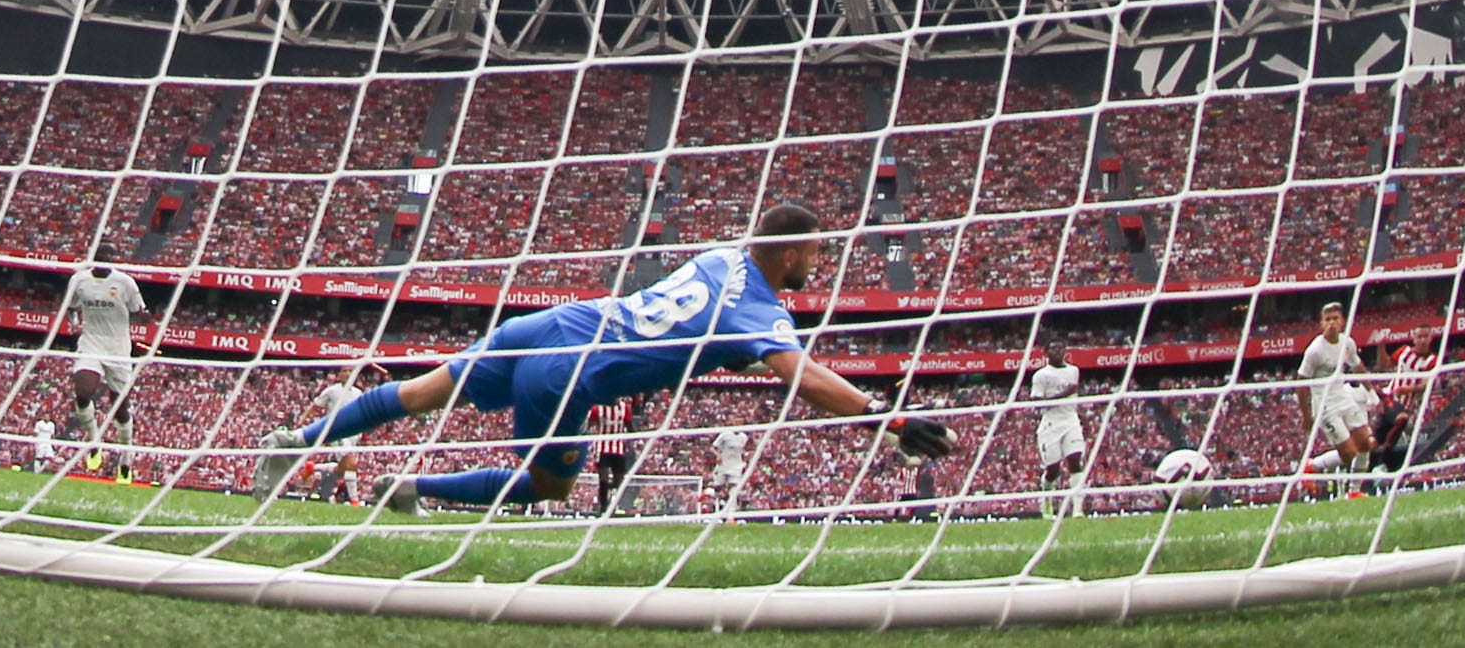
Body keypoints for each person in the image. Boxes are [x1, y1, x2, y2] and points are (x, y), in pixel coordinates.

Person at [249, 204, 951, 512]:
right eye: (815, 255)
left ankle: (294, 443)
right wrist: (884, 418)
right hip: (569, 375)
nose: (816, 267)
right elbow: (805, 377)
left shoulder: (718, 257)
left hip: (557, 323)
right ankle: (415, 489)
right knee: (549, 486)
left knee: (419, 391)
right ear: (793, 251)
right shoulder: (761, 309)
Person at [55, 250, 157, 480]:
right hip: (91, 343)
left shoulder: (124, 283)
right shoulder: (79, 280)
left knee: (120, 409)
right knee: (82, 392)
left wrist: (145, 317)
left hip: (119, 349)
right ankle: (94, 443)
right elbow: (70, 306)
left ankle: (126, 458)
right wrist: (74, 323)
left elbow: (139, 312)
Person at [1296, 302, 1375, 486]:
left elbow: (1358, 366)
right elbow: (1301, 385)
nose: (1331, 323)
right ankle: (1312, 466)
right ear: (1321, 324)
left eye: (1335, 319)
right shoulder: (1315, 351)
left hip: (1343, 397)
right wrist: (1306, 416)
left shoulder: (1347, 343)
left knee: (1365, 443)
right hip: (1325, 406)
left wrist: (1371, 391)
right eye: (1327, 319)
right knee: (1348, 454)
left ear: (1342, 322)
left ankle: (1355, 491)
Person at [1029, 339, 1086, 517]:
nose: (1057, 351)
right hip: (1051, 424)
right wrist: (1063, 395)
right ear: (1046, 352)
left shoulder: (1073, 371)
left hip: (1071, 420)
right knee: (1054, 469)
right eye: (1052, 348)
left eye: (1060, 347)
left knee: (1076, 462)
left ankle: (1078, 510)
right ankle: (1046, 498)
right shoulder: (1041, 376)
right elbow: (1037, 404)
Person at [309, 363, 366, 503]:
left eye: (350, 371)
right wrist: (302, 422)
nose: (347, 374)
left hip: (353, 434)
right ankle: (355, 501)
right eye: (344, 371)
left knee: (343, 469)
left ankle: (312, 468)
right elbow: (315, 406)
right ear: (339, 375)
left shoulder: (358, 393)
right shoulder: (332, 391)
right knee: (351, 463)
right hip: (338, 431)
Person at [708, 425, 751, 508]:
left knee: (734, 488)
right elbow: (712, 448)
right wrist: (718, 455)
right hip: (724, 465)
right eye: (736, 422)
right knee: (718, 487)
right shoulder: (725, 434)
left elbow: (745, 451)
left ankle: (731, 513)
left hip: (736, 467)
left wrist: (747, 457)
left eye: (740, 422)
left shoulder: (744, 437)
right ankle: (717, 503)